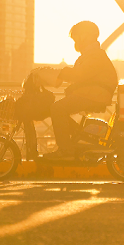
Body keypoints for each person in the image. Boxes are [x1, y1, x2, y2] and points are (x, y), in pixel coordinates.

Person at [43, 21, 118, 160]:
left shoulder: (95, 55)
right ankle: (81, 136)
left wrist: (61, 73)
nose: (75, 42)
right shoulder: (88, 55)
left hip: (95, 95)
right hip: (91, 94)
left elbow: (79, 75)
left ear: (86, 36)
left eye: (77, 38)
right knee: (56, 109)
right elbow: (83, 78)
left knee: (57, 109)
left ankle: (65, 151)